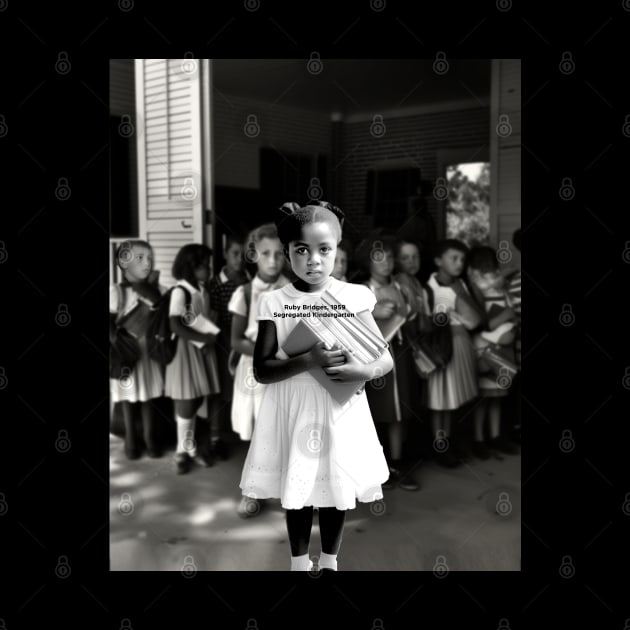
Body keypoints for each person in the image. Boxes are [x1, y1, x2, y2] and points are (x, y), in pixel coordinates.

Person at [240, 200, 392, 571]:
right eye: (301, 250)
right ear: (289, 251)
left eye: (324, 250)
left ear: (336, 250)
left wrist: (361, 372)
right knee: (299, 492)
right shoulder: (274, 301)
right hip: (293, 408)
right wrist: (309, 360)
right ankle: (297, 563)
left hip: (339, 410)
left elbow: (384, 359)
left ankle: (329, 561)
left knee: (334, 492)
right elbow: (262, 369)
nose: (313, 260)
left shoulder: (354, 296)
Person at [229, 224, 291, 517]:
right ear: (253, 255)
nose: (273, 260)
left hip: (285, 368)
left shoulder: (293, 291)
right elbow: (235, 339)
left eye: (279, 253)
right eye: (266, 253)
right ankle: (252, 490)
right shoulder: (243, 293)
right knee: (259, 433)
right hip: (256, 369)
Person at [355, 235, 422, 491]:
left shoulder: (402, 286)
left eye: (390, 257)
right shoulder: (361, 291)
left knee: (399, 411)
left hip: (400, 354)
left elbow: (414, 317)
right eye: (378, 257)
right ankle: (372, 466)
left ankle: (397, 463)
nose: (386, 262)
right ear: (368, 261)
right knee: (373, 412)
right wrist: (372, 313)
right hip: (372, 358)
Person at [164, 244, 221, 474]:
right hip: (187, 352)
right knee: (186, 402)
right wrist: (203, 337)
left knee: (196, 399)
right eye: (204, 266)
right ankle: (182, 451)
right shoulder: (181, 291)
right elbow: (174, 324)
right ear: (191, 267)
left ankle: (189, 447)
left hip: (201, 349)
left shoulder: (201, 288)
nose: (209, 269)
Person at [425, 239, 482, 467]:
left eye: (462, 259)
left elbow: (475, 321)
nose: (459, 264)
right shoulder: (429, 289)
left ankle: (448, 442)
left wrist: (461, 295)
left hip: (460, 346)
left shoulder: (461, 285)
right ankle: (439, 446)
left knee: (453, 399)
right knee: (439, 399)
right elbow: (426, 322)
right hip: (441, 349)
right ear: (438, 261)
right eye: (454, 258)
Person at [110, 240, 167, 459]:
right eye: (140, 258)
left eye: (150, 258)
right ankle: (131, 438)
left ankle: (149, 437)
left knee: (147, 396)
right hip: (126, 351)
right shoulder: (116, 292)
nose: (147, 263)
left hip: (148, 350)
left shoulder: (158, 290)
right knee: (127, 396)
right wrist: (115, 338)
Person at [466, 246, 519, 459]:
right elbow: (483, 324)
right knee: (483, 399)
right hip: (485, 348)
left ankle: (495, 436)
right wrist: (506, 316)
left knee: (497, 397)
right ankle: (479, 439)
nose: (492, 275)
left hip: (502, 349)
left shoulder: (500, 287)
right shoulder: (477, 289)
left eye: (493, 270)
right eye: (486, 270)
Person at [207, 234, 251, 459]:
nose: (239, 259)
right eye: (234, 254)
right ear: (225, 255)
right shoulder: (216, 283)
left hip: (245, 338)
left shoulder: (248, 279)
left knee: (243, 387)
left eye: (242, 255)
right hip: (224, 339)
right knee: (221, 388)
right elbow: (212, 316)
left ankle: (242, 432)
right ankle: (216, 437)